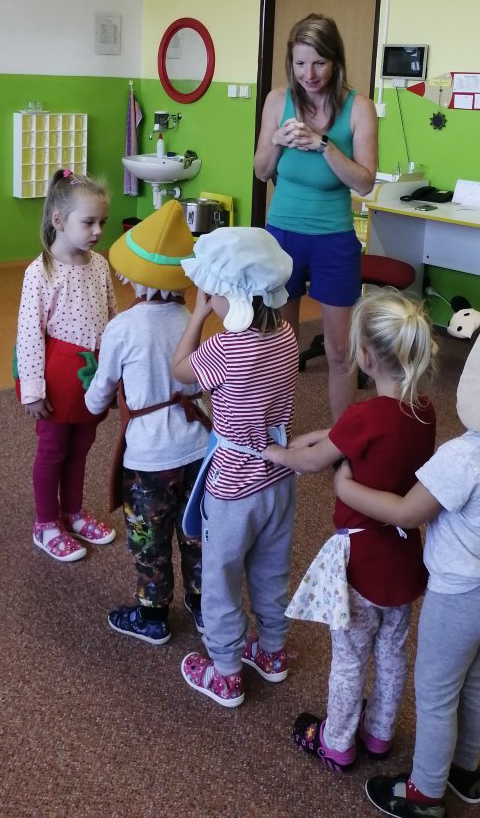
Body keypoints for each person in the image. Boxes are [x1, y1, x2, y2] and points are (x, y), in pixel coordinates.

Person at [334, 315, 480, 818]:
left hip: (461, 595)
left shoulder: (466, 456)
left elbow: (406, 512)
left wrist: (346, 488)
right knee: (476, 679)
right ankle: (465, 771)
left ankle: (423, 794)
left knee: (437, 693)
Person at [264, 290, 437, 771]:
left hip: (361, 565)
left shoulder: (363, 417)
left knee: (350, 656)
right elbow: (364, 435)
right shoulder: (425, 411)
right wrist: (323, 435)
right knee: (392, 651)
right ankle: (379, 733)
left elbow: (312, 462)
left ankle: (337, 740)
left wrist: (276, 452)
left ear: (364, 356)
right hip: (404, 563)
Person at [171, 226, 299, 708]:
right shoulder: (287, 335)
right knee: (271, 569)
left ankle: (225, 671)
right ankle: (272, 651)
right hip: (278, 477)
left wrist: (198, 315)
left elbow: (179, 369)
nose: (208, 297)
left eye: (212, 291)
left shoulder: (225, 348)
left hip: (232, 486)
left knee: (221, 578)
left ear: (233, 296)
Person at [84, 200, 210, 645]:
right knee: (196, 534)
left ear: (135, 278)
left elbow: (98, 397)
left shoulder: (122, 328)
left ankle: (153, 616)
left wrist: (92, 395)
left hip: (149, 460)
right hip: (198, 448)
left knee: (149, 540)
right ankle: (204, 607)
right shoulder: (190, 321)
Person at [253, 13, 378, 421]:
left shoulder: (359, 108)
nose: (308, 74)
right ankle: (275, 432)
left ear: (336, 61)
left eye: (319, 63)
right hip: (281, 236)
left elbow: (364, 182)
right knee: (278, 346)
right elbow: (261, 170)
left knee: (340, 351)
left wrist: (324, 144)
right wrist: (276, 140)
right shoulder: (277, 101)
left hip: (334, 238)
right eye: (300, 63)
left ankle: (344, 441)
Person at [15, 168, 118, 563]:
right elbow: (29, 334)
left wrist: (115, 375)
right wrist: (32, 390)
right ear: (59, 221)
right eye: (88, 222)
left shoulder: (100, 265)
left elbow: (112, 319)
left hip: (92, 376)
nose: (98, 231)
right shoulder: (40, 272)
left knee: (81, 447)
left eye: (102, 222)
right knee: (53, 449)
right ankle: (46, 523)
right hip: (56, 377)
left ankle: (73, 512)